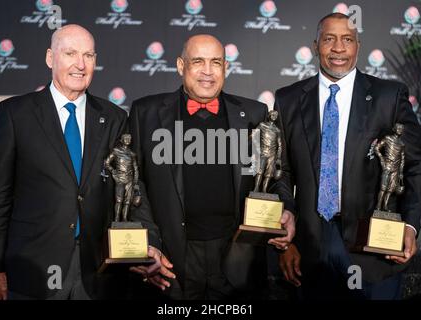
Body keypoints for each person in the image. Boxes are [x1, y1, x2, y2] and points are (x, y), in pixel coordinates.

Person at [0, 24, 161, 300]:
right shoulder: (17, 114)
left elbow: (131, 187)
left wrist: (150, 241)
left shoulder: (114, 118)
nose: (80, 64)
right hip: (32, 271)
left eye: (88, 56)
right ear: (50, 58)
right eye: (70, 54)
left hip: (95, 270)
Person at [274, 13, 421, 299]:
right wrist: (288, 234)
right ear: (315, 45)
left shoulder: (389, 97)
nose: (338, 48)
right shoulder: (288, 99)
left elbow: (416, 165)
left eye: (347, 40)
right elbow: (280, 170)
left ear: (358, 46)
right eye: (329, 39)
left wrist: (410, 224)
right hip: (309, 250)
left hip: (374, 250)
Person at [128, 34, 295, 299]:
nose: (208, 71)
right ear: (181, 66)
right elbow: (133, 184)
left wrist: (286, 208)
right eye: (198, 62)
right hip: (171, 258)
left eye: (216, 62)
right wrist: (149, 241)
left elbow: (276, 173)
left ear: (226, 68)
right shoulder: (145, 113)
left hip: (238, 255)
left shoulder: (254, 115)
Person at [104, 133, 142, 222]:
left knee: (128, 201)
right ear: (121, 140)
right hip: (120, 179)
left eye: (129, 138)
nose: (128, 140)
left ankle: (124, 219)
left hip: (130, 180)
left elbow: (135, 168)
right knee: (119, 200)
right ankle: (117, 219)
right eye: (126, 138)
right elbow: (106, 162)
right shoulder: (116, 151)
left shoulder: (132, 154)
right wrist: (113, 171)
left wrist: (135, 182)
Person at [375, 123, 405, 211]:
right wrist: (381, 159)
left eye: (402, 128)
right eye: (398, 128)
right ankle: (378, 206)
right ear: (394, 129)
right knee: (383, 188)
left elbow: (402, 159)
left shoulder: (402, 144)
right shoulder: (388, 139)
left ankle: (385, 206)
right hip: (387, 166)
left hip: (396, 169)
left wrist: (401, 172)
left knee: (390, 189)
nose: (400, 130)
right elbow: (377, 148)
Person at [253, 110, 282, 193]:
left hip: (272, 154)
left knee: (269, 173)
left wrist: (279, 157)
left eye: (276, 115)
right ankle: (256, 188)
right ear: (269, 115)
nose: (274, 116)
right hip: (262, 151)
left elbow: (279, 145)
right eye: (272, 114)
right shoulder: (262, 125)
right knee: (259, 171)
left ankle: (264, 190)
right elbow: (254, 134)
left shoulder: (277, 130)